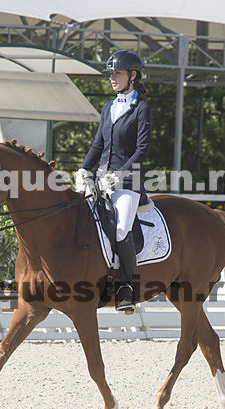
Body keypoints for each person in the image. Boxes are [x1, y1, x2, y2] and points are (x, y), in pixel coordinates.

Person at [75, 50, 152, 312]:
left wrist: (120, 174)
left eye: (117, 73)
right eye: (111, 74)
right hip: (101, 181)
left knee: (120, 230)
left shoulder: (142, 109)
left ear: (133, 75)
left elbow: (142, 150)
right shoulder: (109, 107)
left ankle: (127, 288)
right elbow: (98, 144)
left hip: (128, 184)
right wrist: (84, 169)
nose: (112, 78)